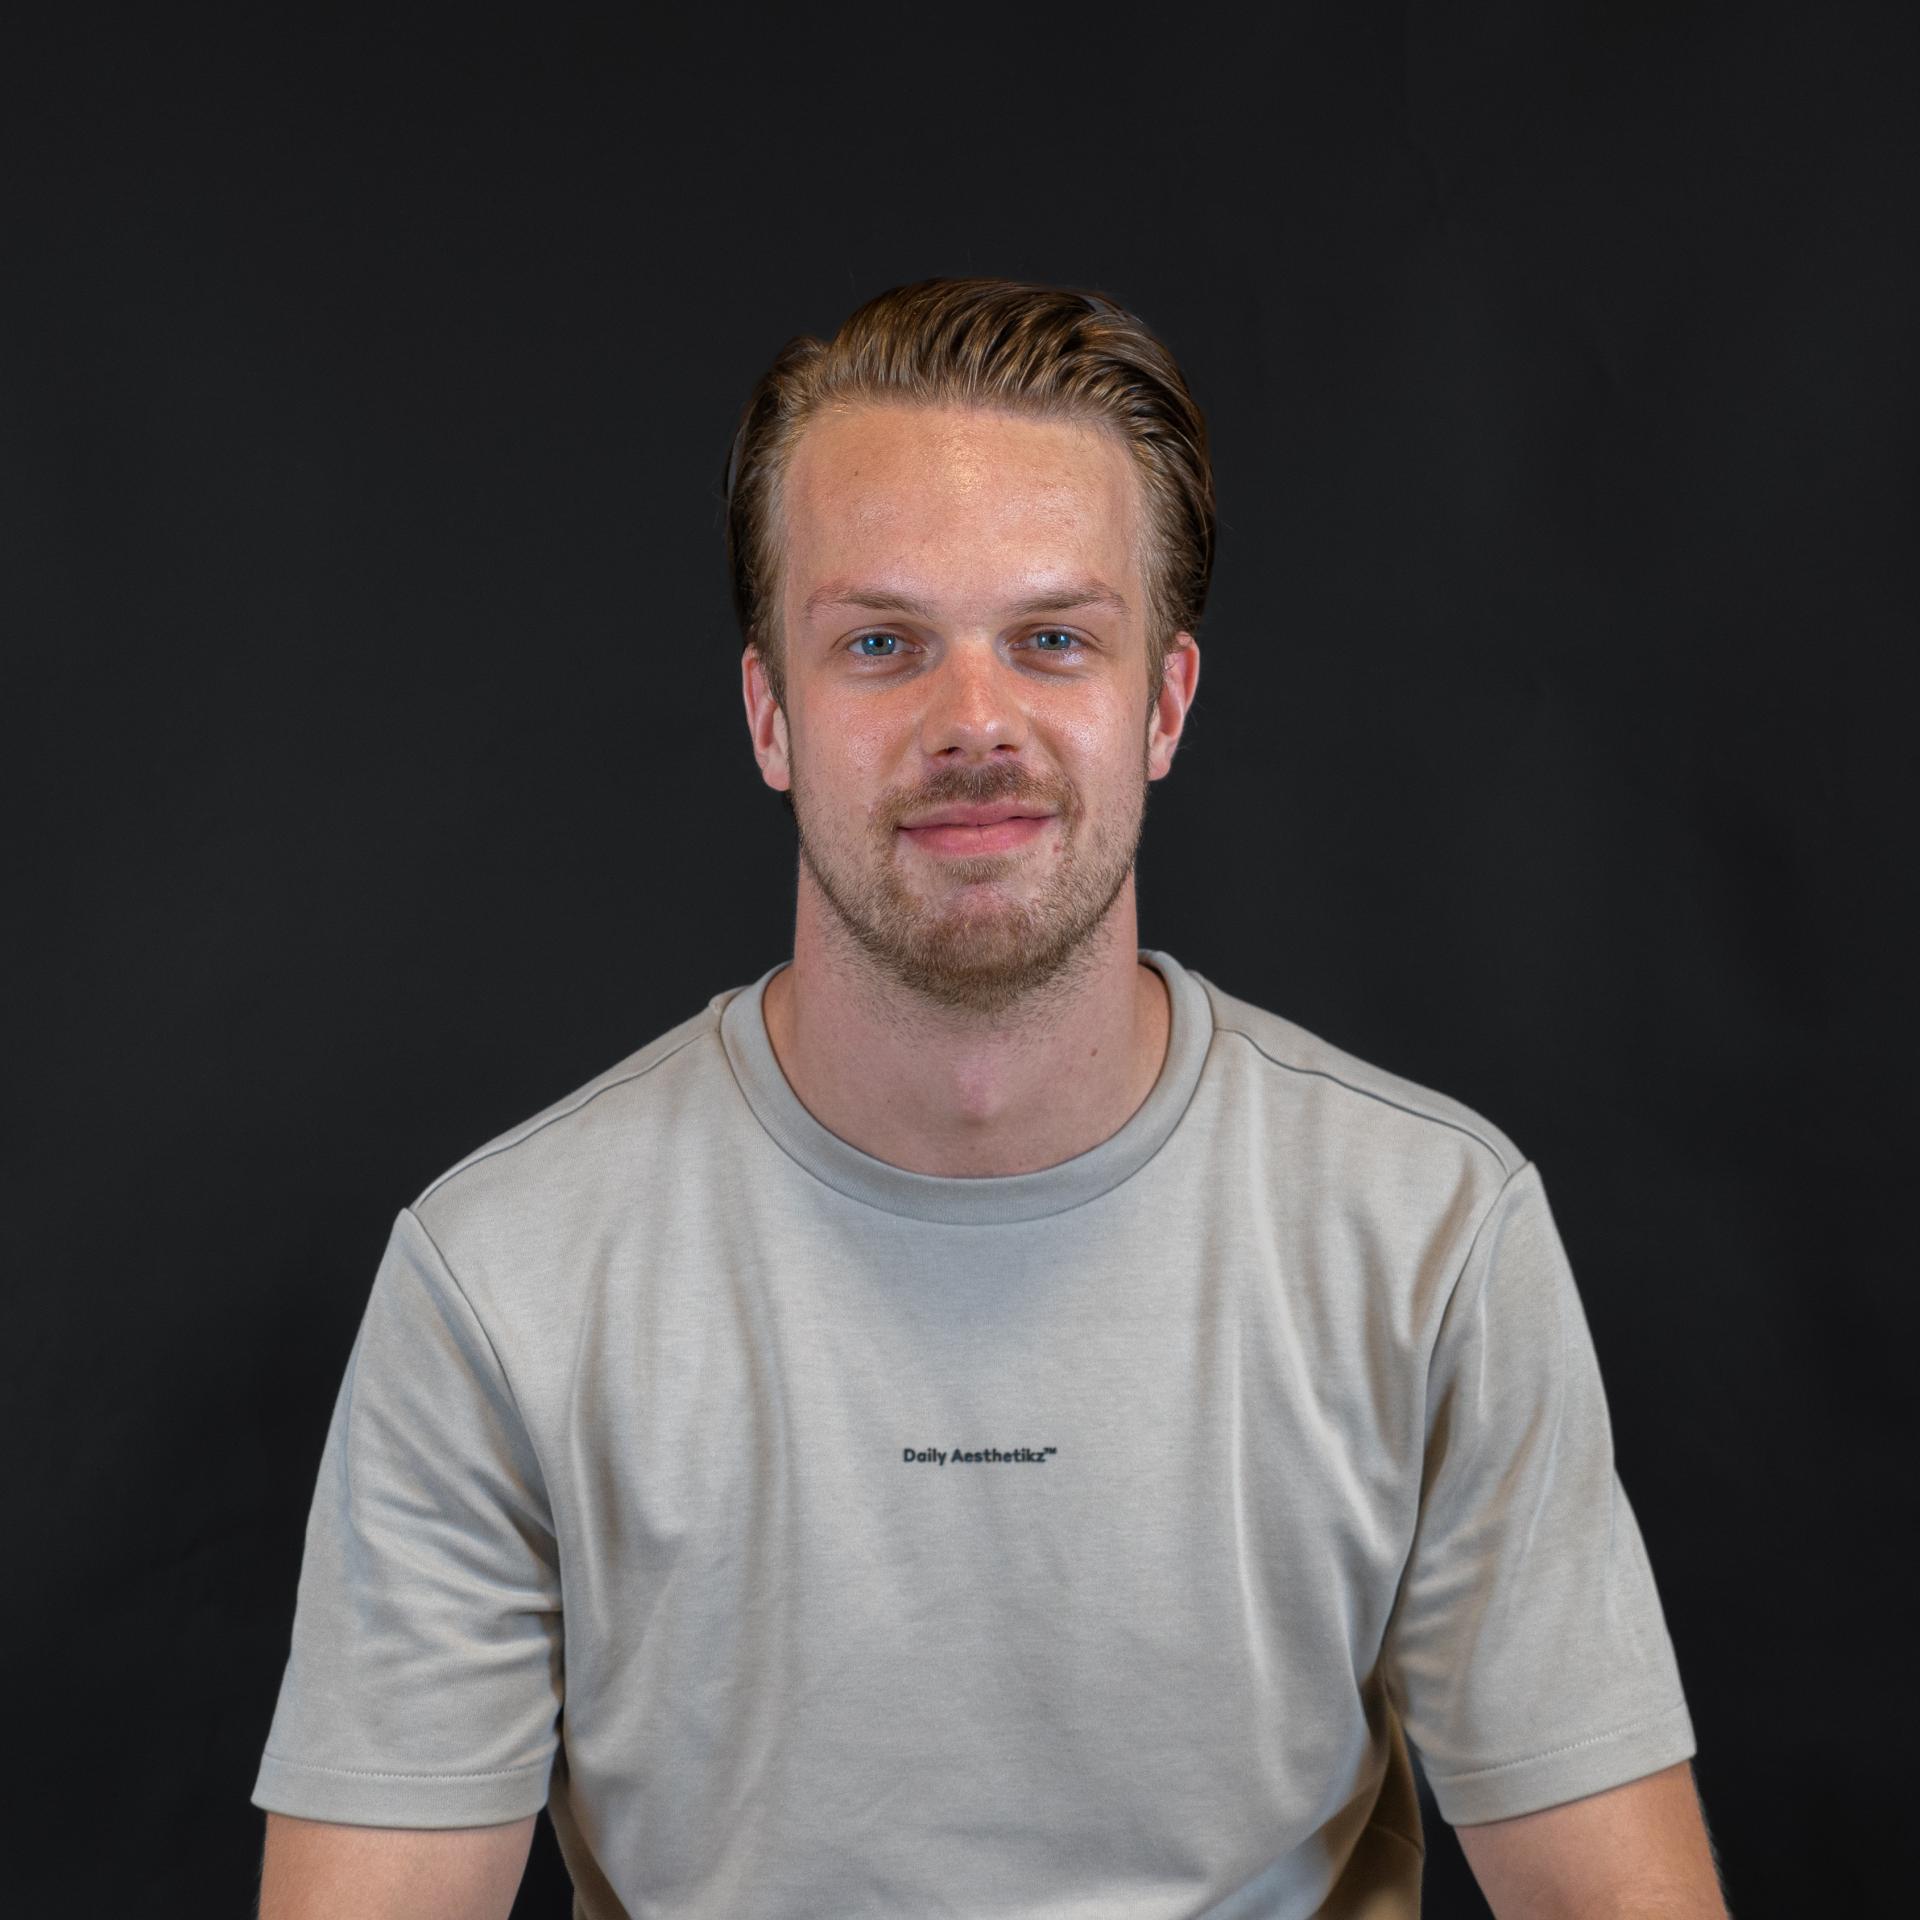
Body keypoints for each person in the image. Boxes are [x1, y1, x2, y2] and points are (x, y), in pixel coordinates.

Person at [252, 278, 1728, 1919]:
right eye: (881, 645)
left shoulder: (1430, 1236)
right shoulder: (501, 1280)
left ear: (1163, 704)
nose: (974, 723)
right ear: (771, 716)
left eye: (1054, 641)